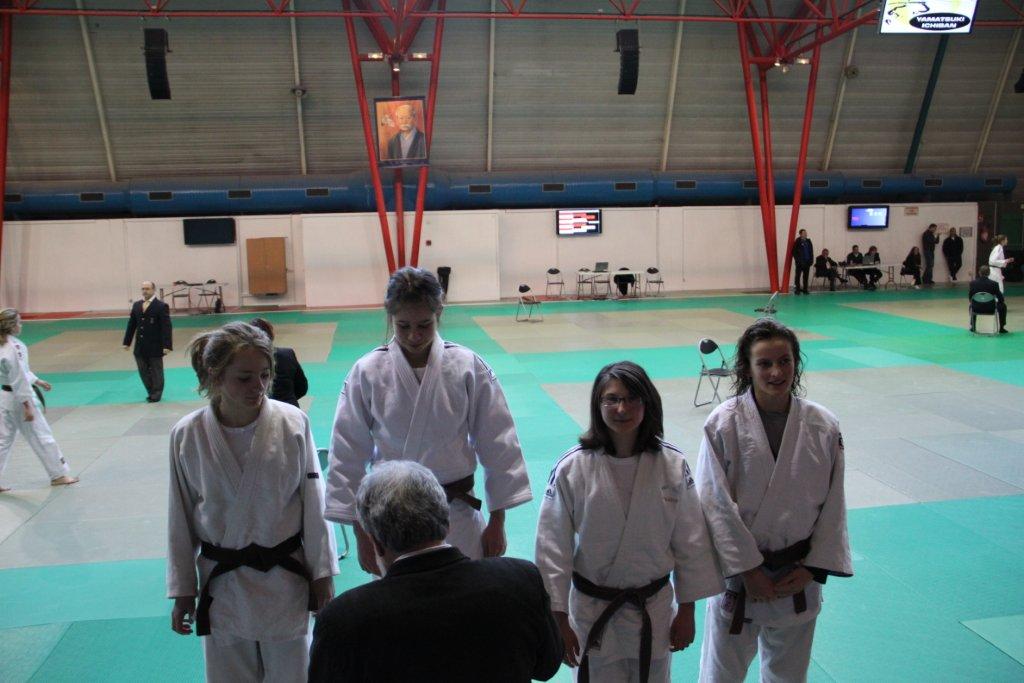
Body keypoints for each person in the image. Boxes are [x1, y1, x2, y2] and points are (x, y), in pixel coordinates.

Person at [326, 266, 532, 573]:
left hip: (456, 514)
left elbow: (498, 441)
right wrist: (361, 534)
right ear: (390, 317)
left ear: (439, 313)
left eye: (424, 324)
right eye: (403, 325)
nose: (414, 335)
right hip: (391, 519)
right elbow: (347, 453)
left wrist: (497, 521)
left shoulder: (466, 366)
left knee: (464, 594)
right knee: (402, 599)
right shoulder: (367, 371)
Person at [167, 322, 338, 682]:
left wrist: (322, 572)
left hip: (284, 577)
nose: (258, 387)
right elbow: (179, 515)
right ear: (214, 376)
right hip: (224, 583)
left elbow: (313, 502)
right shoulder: (188, 434)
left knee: (293, 674)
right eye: (244, 378)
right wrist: (183, 589)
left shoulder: (293, 423)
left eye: (264, 375)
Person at [536, 361, 723, 683]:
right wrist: (559, 619)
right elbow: (552, 548)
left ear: (647, 403)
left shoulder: (671, 464)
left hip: (653, 609)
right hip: (593, 610)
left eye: (632, 398)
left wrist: (687, 610)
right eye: (612, 399)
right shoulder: (572, 467)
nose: (622, 408)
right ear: (598, 405)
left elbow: (690, 541)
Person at [696, 319, 852, 683]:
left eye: (784, 361)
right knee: (720, 676)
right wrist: (748, 570)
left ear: (797, 362)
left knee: (789, 676)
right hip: (739, 581)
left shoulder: (823, 425)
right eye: (764, 363)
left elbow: (834, 504)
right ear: (747, 369)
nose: (776, 372)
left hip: (796, 577)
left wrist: (813, 569)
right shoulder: (724, 423)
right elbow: (713, 503)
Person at [309, 461, 563, 682]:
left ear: (375, 542)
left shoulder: (344, 620)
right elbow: (547, 666)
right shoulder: (519, 581)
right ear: (446, 521)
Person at [0, 310, 78, 491]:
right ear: (11, 325)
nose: (21, 325)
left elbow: (17, 372)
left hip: (4, 396)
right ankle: (58, 475)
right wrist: (27, 405)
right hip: (19, 399)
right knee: (42, 436)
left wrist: (37, 381)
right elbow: (18, 377)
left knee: (3, 440)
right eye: (19, 322)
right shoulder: (13, 347)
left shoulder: (3, 345)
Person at [122, 281, 172, 402]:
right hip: (140, 346)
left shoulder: (161, 306)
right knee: (143, 371)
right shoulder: (136, 305)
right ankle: (151, 391)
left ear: (153, 290)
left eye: (147, 289)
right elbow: (132, 324)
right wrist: (127, 342)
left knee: (156, 371)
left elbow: (166, 327)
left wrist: (167, 345)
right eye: (143, 289)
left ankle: (156, 394)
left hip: (155, 345)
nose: (145, 291)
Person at [249, 318, 308, 409]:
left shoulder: (244, 361)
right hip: (290, 407)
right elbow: (302, 387)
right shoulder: (287, 354)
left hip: (259, 409)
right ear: (272, 335)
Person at [969, 266, 1008, 334]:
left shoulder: (973, 283)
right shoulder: (994, 284)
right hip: (991, 308)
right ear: (989, 273)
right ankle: (1002, 327)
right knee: (1003, 306)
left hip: (976, 308)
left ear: (979, 272)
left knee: (971, 306)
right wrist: (998, 302)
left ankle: (973, 327)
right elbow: (1001, 299)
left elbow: (970, 298)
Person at [791, 229, 813, 295]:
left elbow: (811, 252)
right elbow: (794, 252)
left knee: (806, 277)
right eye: (804, 233)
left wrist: (811, 260)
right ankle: (797, 290)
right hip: (800, 263)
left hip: (807, 262)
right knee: (797, 277)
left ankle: (805, 290)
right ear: (800, 234)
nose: (805, 234)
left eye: (806, 232)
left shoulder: (808, 241)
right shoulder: (797, 241)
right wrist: (798, 261)